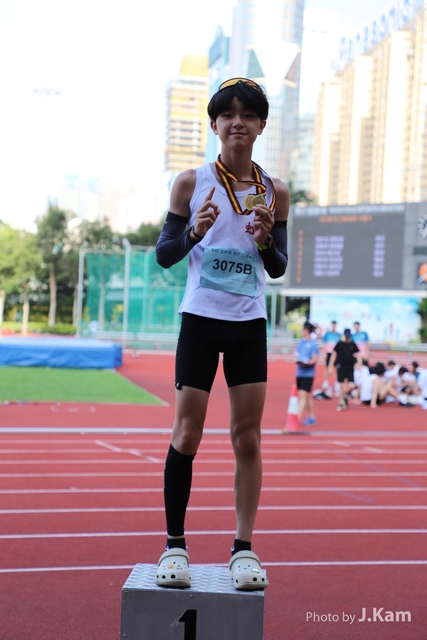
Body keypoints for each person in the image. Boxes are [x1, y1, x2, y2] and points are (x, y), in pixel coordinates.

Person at [155, 77, 289, 591]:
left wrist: (265, 240)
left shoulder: (276, 191)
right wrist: (195, 231)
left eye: (248, 115)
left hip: (248, 324)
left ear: (261, 126)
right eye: (228, 114)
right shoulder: (190, 182)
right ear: (214, 124)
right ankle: (175, 547)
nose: (238, 122)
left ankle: (243, 549)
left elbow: (277, 266)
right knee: (187, 432)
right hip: (201, 321)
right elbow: (164, 255)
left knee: (247, 437)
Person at [328, 328, 361, 411]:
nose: (347, 338)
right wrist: (330, 366)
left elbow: (358, 354)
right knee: (341, 385)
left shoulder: (353, 344)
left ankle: (344, 396)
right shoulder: (339, 344)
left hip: (350, 367)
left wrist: (359, 363)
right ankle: (340, 402)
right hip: (341, 366)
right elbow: (334, 355)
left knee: (351, 385)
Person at [294, 322, 319, 425]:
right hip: (299, 372)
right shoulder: (301, 343)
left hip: (308, 373)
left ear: (307, 331)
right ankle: (312, 417)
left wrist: (307, 363)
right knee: (307, 396)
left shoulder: (313, 344)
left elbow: (315, 359)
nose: (301, 331)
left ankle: (297, 418)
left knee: (303, 395)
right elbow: (297, 355)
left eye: (302, 329)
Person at [321, 320, 340, 394]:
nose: (334, 326)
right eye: (333, 324)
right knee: (327, 368)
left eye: (335, 324)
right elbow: (324, 344)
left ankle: (336, 383)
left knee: (336, 368)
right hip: (328, 352)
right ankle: (326, 381)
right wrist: (324, 353)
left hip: (336, 354)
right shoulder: (327, 334)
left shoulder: (338, 335)